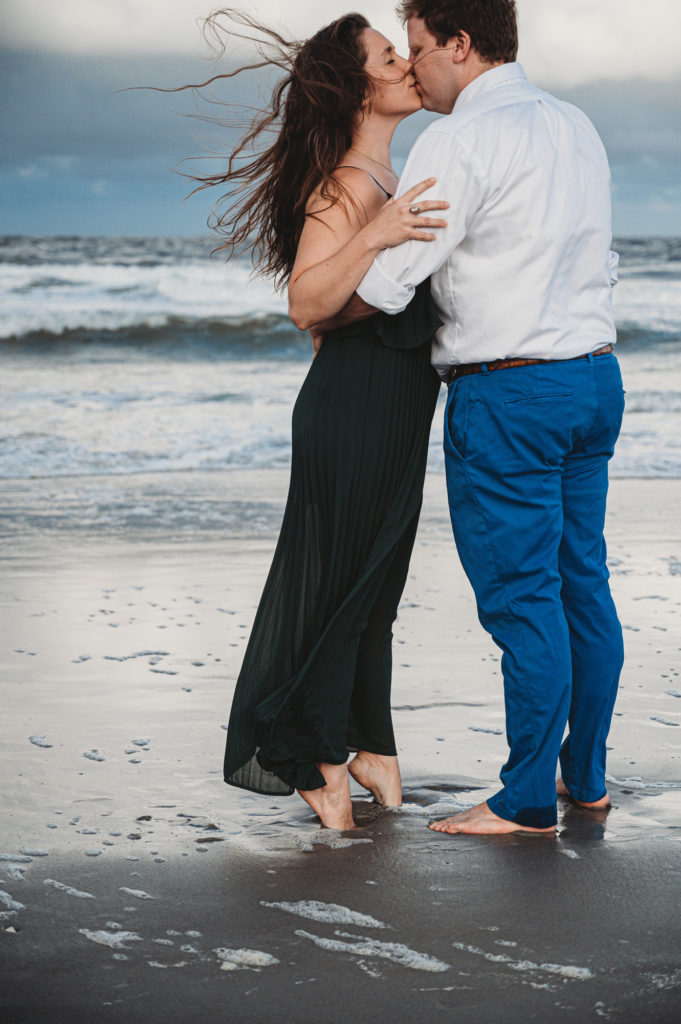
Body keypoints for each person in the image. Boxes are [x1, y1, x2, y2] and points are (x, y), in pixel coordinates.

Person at [324, 0, 625, 835]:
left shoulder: (459, 139)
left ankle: (525, 800)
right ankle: (585, 779)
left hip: (510, 393)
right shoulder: (575, 125)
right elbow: (599, 256)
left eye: (417, 49)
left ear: (459, 44)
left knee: (524, 598)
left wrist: (323, 298)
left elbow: (390, 281)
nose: (412, 69)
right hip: (593, 380)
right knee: (581, 588)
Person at [192, 11, 449, 829]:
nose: (407, 64)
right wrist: (373, 233)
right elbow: (305, 300)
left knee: (378, 583)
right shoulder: (345, 185)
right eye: (388, 56)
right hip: (355, 407)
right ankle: (305, 749)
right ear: (357, 86)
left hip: (393, 403)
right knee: (346, 581)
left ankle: (365, 741)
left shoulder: (380, 176)